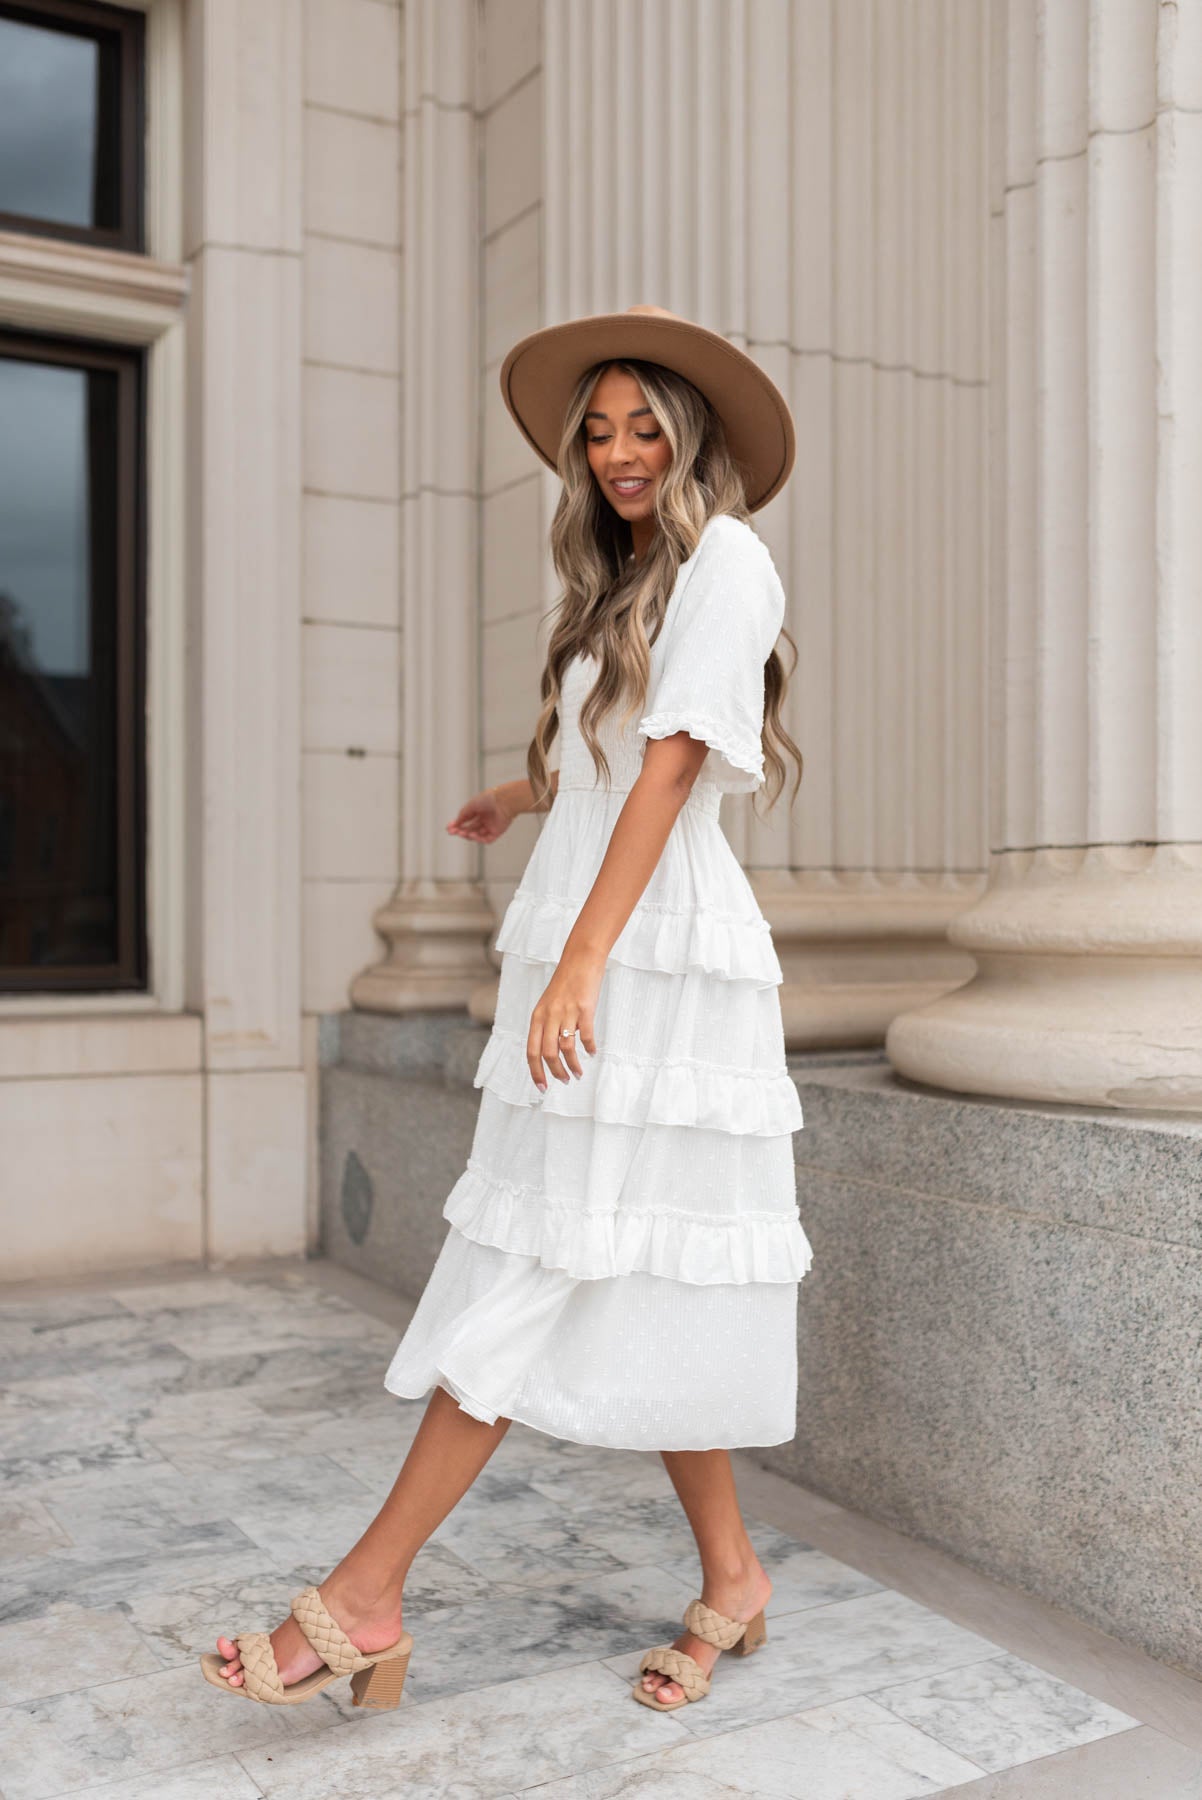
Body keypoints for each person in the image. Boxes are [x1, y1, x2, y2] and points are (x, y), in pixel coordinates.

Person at [200, 303, 811, 1716]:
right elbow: (615, 760)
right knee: (618, 1251)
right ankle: (734, 1578)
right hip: (594, 928)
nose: (615, 454)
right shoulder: (623, 583)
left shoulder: (731, 560)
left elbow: (673, 768)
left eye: (642, 425)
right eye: (596, 432)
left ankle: (361, 1599)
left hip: (653, 954)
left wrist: (591, 954)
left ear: (693, 433)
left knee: (541, 1256)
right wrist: (527, 793)